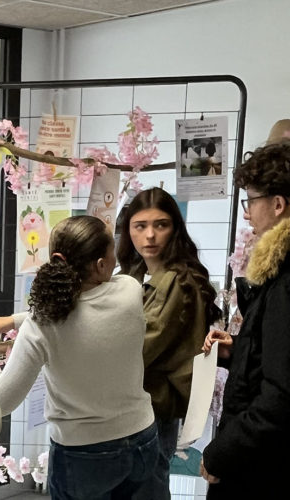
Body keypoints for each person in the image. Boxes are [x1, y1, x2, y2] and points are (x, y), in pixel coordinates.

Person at [0, 216, 157, 499]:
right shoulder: (130, 291)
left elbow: (3, 402)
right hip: (143, 439)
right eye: (113, 252)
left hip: (83, 455)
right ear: (100, 266)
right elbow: (90, 312)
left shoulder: (42, 324)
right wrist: (14, 321)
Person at [117, 187, 221, 500]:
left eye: (160, 225)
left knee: (147, 486)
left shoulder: (180, 281)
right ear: (129, 231)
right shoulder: (135, 274)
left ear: (174, 228)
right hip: (131, 404)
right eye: (140, 226)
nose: (150, 235)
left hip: (154, 407)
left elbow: (143, 344)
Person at [201, 141, 290, 498]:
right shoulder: (278, 274)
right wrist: (238, 351)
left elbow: (280, 396)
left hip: (261, 467)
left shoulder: (285, 284)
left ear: (278, 205)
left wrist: (221, 453)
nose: (248, 214)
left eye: (251, 202)